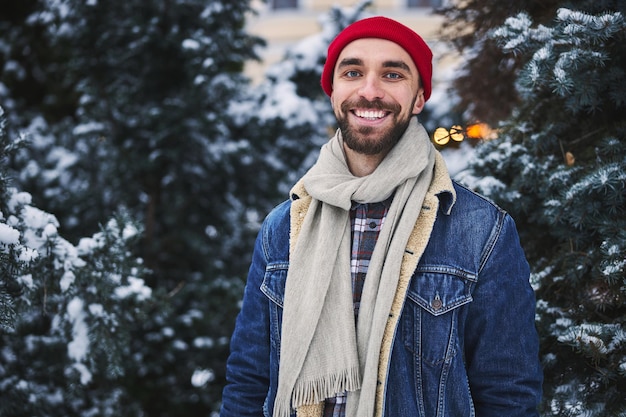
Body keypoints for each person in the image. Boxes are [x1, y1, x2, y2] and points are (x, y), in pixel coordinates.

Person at [220, 16, 543, 417]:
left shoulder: (480, 229)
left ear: (419, 97)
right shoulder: (283, 226)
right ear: (334, 91)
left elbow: (508, 394)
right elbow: (249, 382)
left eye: (392, 74)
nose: (369, 91)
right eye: (353, 72)